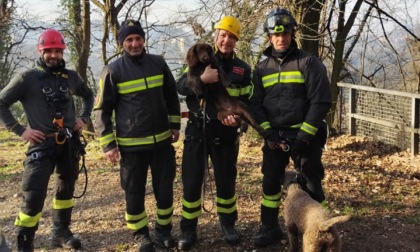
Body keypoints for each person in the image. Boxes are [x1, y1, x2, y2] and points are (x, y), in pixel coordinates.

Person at [0, 29, 94, 251]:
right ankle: (25, 242)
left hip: (69, 143)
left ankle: (60, 232)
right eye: (48, 51)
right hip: (41, 145)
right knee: (33, 195)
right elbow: (1, 103)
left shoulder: (71, 77)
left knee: (66, 190)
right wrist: (21, 130)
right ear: (40, 51)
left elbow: (89, 95)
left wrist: (84, 117)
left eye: (57, 51)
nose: (53, 55)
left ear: (63, 52)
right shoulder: (26, 78)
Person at [93, 19, 181, 252]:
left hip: (162, 142)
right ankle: (140, 234)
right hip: (131, 148)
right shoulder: (113, 70)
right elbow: (102, 110)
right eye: (129, 40)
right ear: (122, 43)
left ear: (144, 40)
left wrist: (174, 126)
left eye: (138, 38)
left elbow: (171, 96)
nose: (134, 43)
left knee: (164, 189)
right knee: (134, 191)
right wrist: (108, 144)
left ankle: (163, 231)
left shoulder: (158, 63)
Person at [248, 7, 332, 247]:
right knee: (271, 183)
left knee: (312, 182)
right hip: (275, 137)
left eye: (285, 33)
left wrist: (304, 136)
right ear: (269, 36)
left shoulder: (308, 62)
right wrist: (269, 134)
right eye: (276, 34)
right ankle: (269, 227)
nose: (281, 38)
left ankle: (326, 226)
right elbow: (255, 105)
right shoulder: (262, 68)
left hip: (305, 137)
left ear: (292, 33)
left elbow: (321, 101)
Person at [176, 16, 252, 251]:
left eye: (231, 37)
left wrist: (237, 119)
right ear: (216, 36)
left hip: (226, 134)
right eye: (223, 35)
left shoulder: (243, 69)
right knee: (191, 182)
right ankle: (188, 230)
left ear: (236, 40)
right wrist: (201, 78)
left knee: (226, 181)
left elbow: (247, 100)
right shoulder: (199, 58)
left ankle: (228, 225)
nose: (226, 40)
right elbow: (179, 86)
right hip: (198, 132)